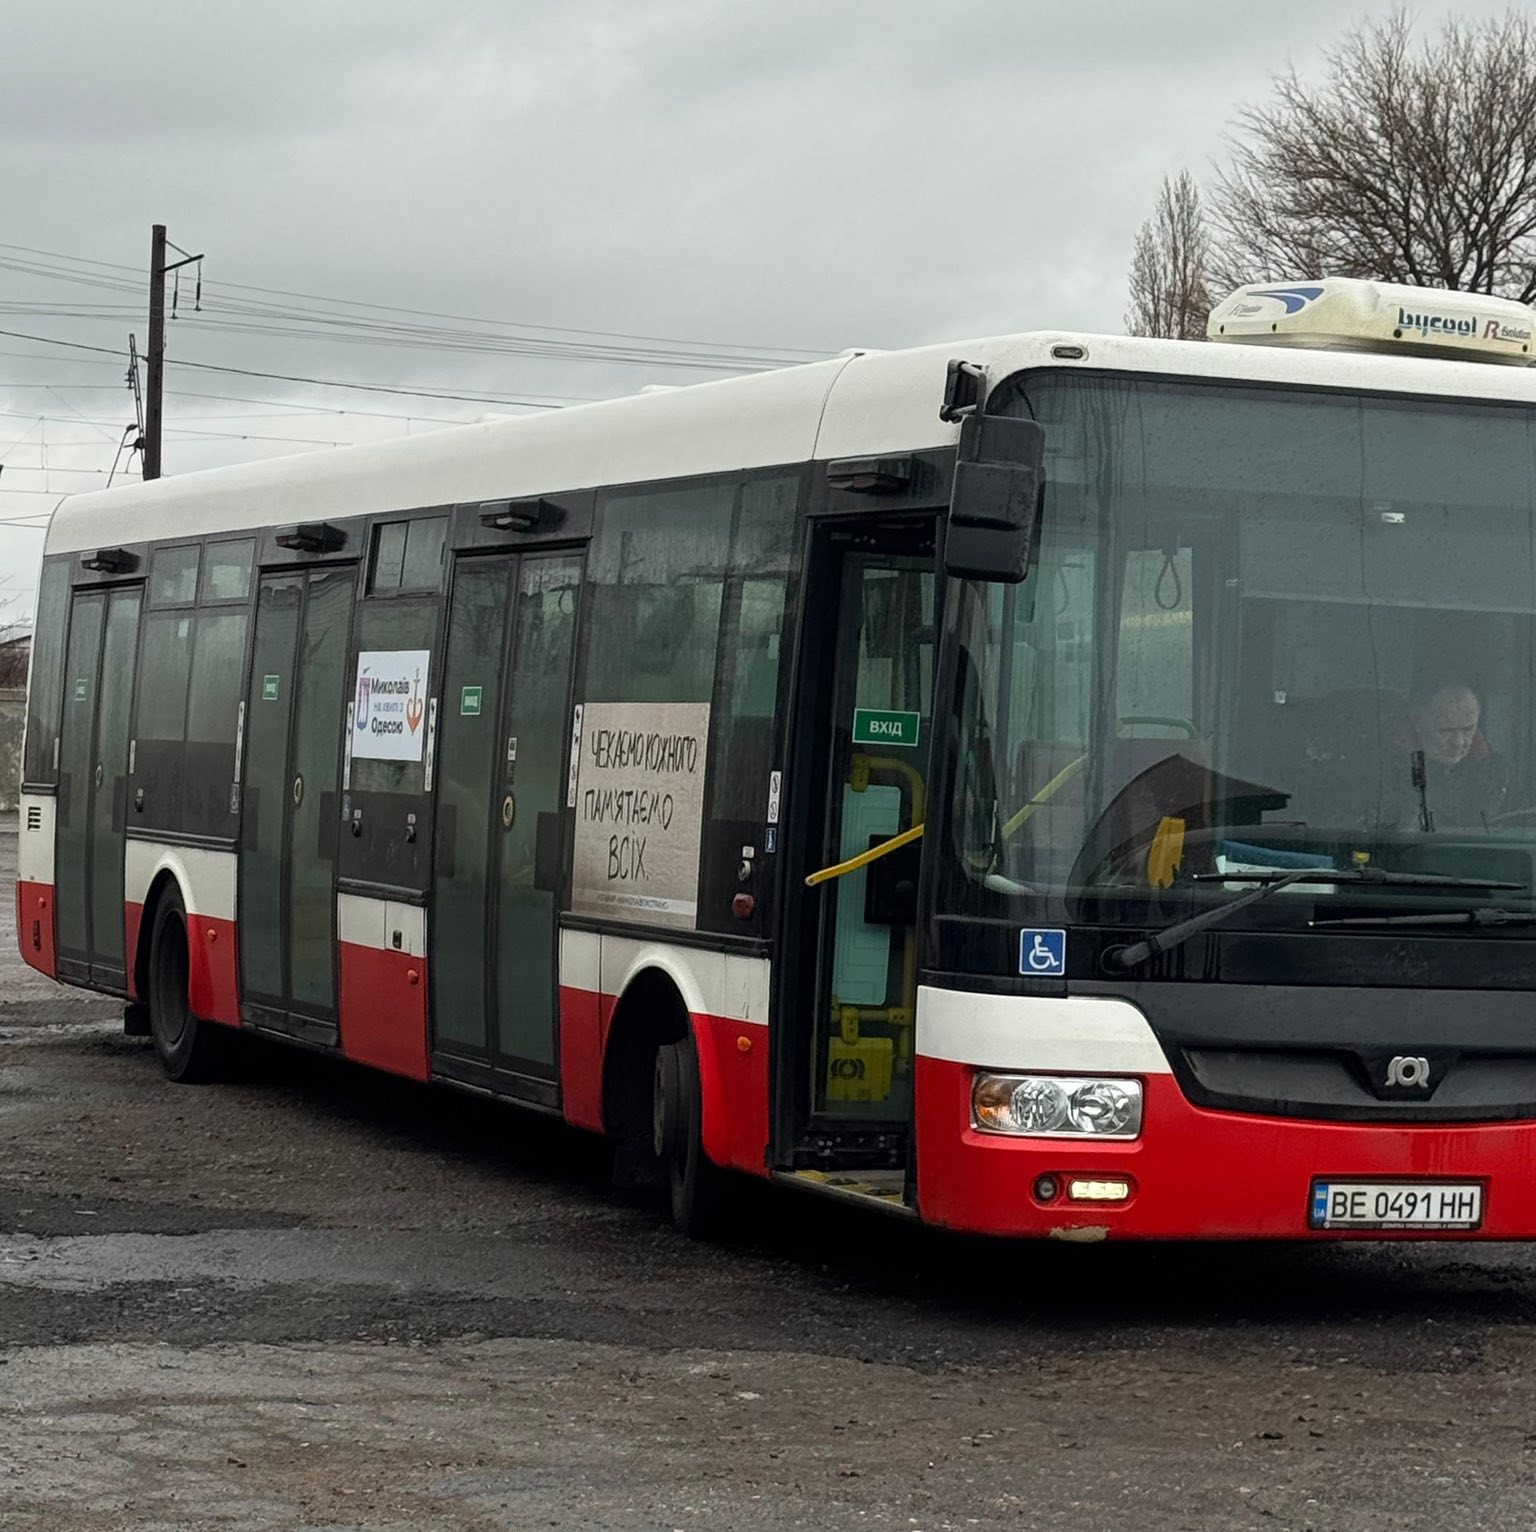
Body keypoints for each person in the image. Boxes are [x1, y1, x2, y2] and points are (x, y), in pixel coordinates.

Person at [1389, 682, 1510, 830]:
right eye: (1445, 731)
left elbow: (1524, 824)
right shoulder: (1389, 774)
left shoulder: (1497, 773)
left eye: (1468, 729)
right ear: (1417, 723)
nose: (1458, 743)